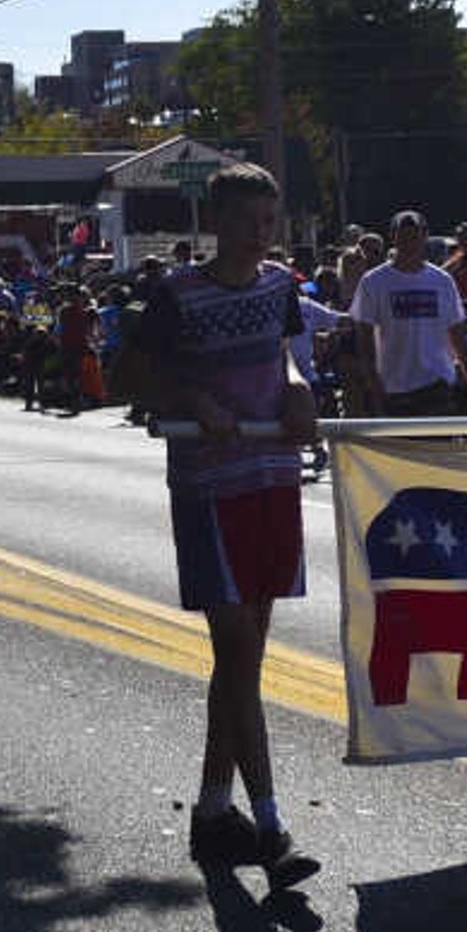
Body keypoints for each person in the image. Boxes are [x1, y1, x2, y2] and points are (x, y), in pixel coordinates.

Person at [131, 163, 324, 889]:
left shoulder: (281, 288)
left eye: (269, 220)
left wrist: (301, 394)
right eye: (248, 220)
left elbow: (286, 362)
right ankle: (271, 825)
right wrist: (192, 397)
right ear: (218, 221)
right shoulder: (175, 295)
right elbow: (137, 376)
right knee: (238, 654)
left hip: (271, 479)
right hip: (211, 487)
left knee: (243, 661)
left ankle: (215, 810)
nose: (260, 234)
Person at [349, 213, 467, 416]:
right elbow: (364, 338)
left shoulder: (442, 281)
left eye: (415, 236)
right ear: (393, 237)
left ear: (425, 237)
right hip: (393, 387)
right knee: (399, 447)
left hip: (436, 383)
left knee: (435, 446)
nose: (409, 243)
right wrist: (373, 384)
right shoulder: (373, 282)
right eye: (403, 237)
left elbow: (457, 334)